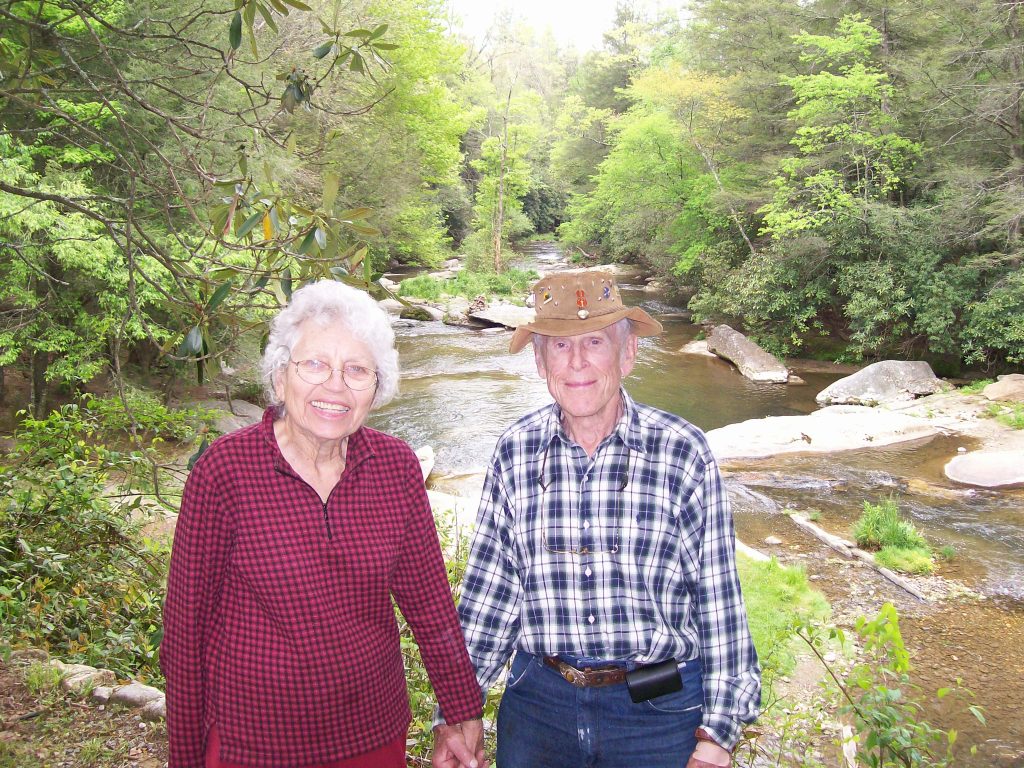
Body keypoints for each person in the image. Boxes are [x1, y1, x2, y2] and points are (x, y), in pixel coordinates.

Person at [433, 270, 760, 768]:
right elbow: (490, 598)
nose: (578, 362)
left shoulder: (682, 452)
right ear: (540, 361)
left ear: (627, 354)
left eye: (594, 342)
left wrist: (717, 737)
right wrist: (457, 713)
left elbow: (719, 602)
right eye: (560, 347)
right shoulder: (515, 451)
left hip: (660, 714)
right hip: (538, 708)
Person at [162, 279, 485, 768]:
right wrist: (184, 760)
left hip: (373, 735)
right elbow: (185, 635)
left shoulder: (395, 466)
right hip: (253, 744)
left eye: (356, 369)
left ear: (376, 388)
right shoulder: (224, 472)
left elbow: (429, 601)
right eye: (315, 363)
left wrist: (462, 710)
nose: (335, 385)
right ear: (279, 377)